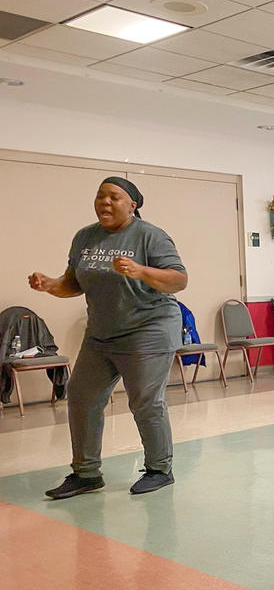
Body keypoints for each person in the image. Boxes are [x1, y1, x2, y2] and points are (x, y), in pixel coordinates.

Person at [29, 177, 188, 499]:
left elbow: (178, 280)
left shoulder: (150, 236)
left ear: (133, 204)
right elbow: (73, 283)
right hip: (102, 332)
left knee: (144, 401)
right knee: (82, 396)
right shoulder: (85, 237)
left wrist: (142, 271)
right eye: (100, 196)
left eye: (114, 197)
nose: (105, 202)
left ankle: (159, 469)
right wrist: (49, 285)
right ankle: (86, 473)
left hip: (148, 328)